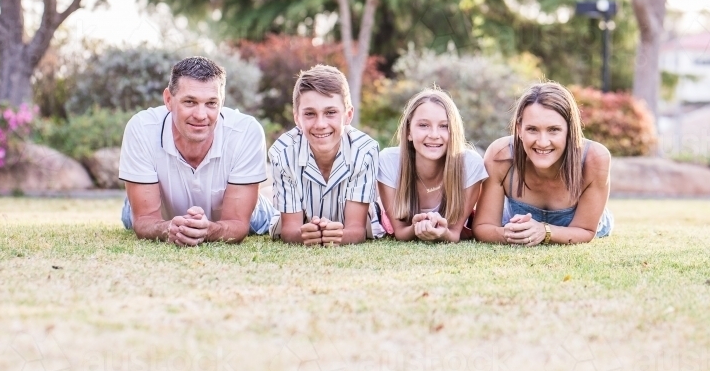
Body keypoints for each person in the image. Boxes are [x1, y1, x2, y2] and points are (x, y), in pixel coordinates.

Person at [118, 56, 277, 246]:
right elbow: (145, 220)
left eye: (211, 103)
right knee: (131, 219)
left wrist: (208, 230)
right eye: (190, 102)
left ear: (222, 102)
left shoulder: (246, 131)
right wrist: (168, 228)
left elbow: (238, 224)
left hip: (240, 212)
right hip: (161, 212)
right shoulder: (142, 128)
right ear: (168, 100)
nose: (201, 115)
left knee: (264, 216)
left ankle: (264, 194)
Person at [473, 82, 613, 246]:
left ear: (570, 130)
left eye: (554, 129)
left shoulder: (594, 158)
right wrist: (509, 234)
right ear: (519, 129)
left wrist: (544, 231)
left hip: (587, 224)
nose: (542, 142)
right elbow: (483, 227)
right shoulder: (501, 156)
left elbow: (586, 231)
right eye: (532, 129)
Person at [269, 65, 384, 245]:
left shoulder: (364, 152)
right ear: (297, 118)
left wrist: (336, 236)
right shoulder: (283, 153)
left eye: (330, 113)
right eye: (309, 114)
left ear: (348, 115)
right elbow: (290, 229)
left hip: (347, 224)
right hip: (304, 225)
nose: (320, 124)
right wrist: (305, 235)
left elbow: (356, 229)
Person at [377, 88, 487, 242]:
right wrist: (416, 228)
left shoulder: (470, 164)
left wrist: (443, 232)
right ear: (409, 131)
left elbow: (454, 234)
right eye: (423, 125)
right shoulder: (389, 161)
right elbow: (401, 233)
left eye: (444, 126)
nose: (434, 135)